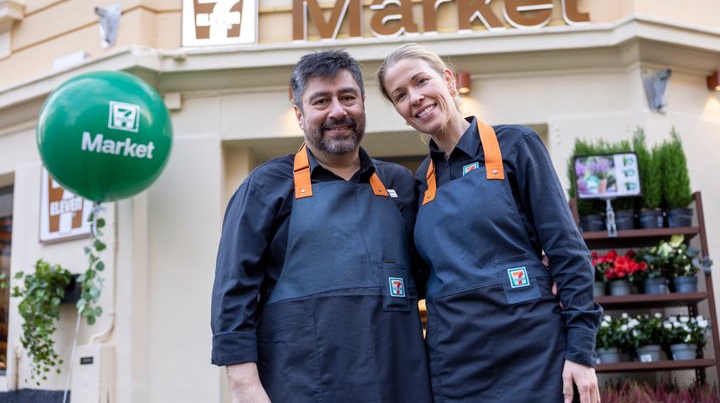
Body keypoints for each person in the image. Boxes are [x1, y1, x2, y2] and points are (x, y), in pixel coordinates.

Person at [376, 43, 603, 403]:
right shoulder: (421, 181)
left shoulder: (516, 145)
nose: (415, 98)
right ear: (401, 113)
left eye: (421, 82)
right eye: (401, 95)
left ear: (448, 80)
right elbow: (420, 275)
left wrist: (580, 352)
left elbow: (567, 250)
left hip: (534, 348)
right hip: (455, 358)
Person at [211, 50, 432, 403]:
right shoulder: (266, 186)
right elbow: (234, 292)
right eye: (321, 101)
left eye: (348, 97)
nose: (337, 111)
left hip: (399, 383)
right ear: (299, 114)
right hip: (302, 386)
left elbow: (438, 267)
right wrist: (244, 385)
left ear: (362, 104)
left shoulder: (401, 185)